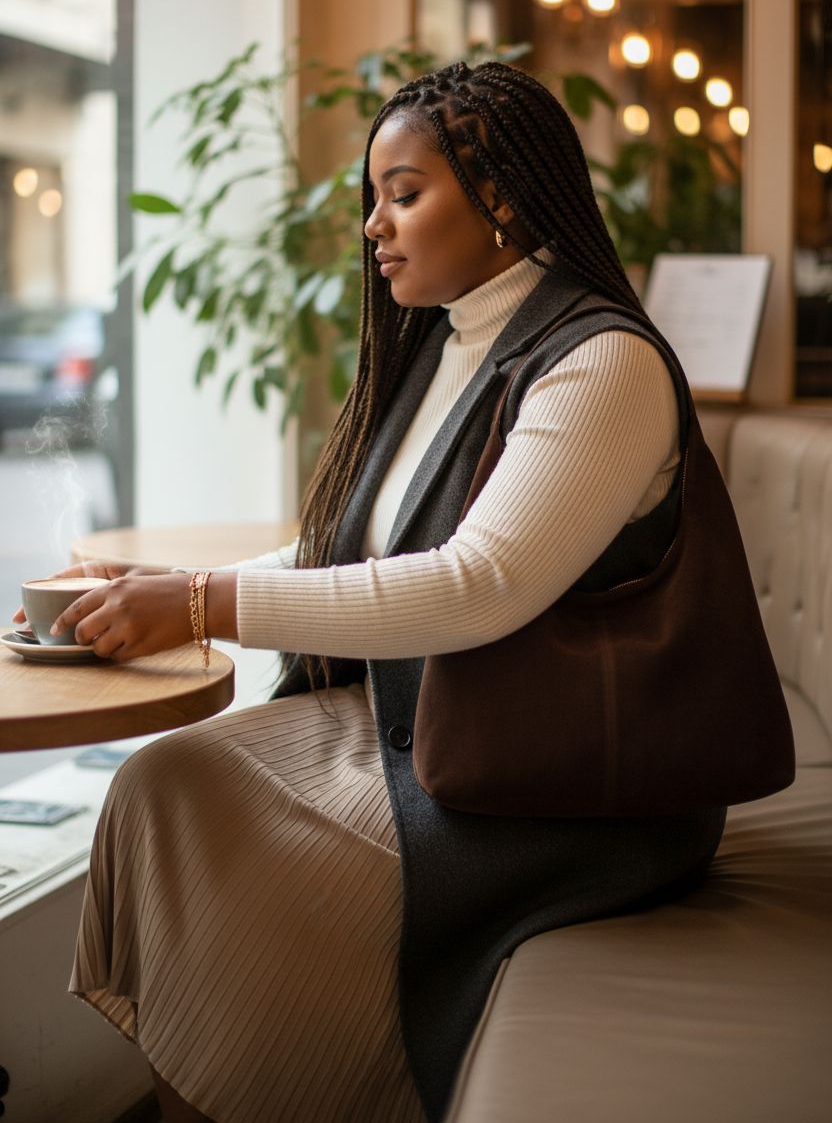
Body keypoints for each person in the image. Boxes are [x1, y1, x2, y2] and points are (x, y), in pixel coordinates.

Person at [18, 61, 726, 1123]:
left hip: (570, 783)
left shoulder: (600, 364)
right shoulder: (448, 341)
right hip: (441, 722)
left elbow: (477, 585)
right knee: (158, 791)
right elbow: (350, 549)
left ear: (501, 199)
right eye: (372, 199)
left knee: (230, 859)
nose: (372, 227)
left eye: (403, 194)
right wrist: (167, 588)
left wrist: (205, 604)